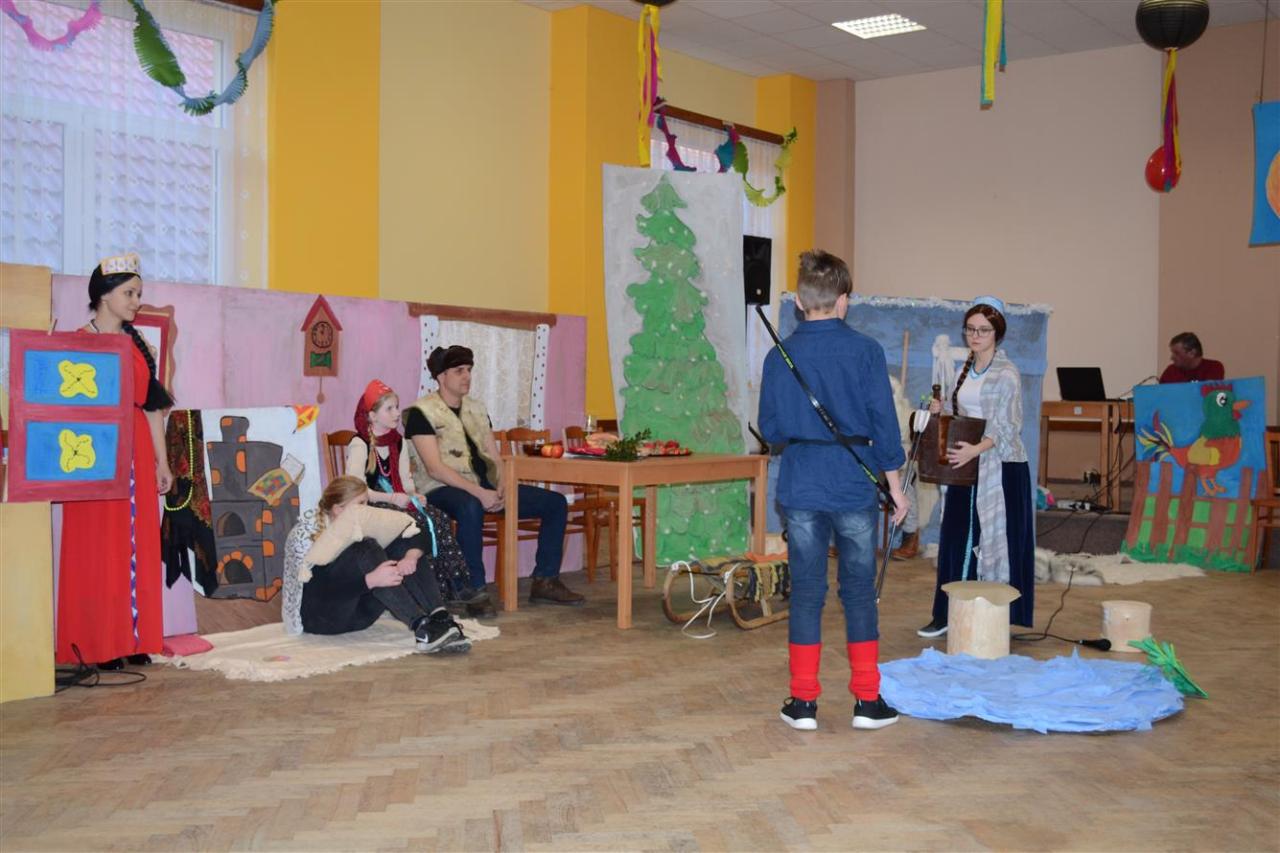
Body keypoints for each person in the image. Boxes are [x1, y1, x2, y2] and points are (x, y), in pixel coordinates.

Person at [758, 249, 909, 732]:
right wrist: (896, 488)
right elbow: (884, 425)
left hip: (802, 482)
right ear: (844, 300)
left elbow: (770, 429)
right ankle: (867, 700)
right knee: (859, 592)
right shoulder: (866, 351)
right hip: (852, 484)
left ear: (799, 302)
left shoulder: (778, 355)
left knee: (806, 592)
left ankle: (803, 703)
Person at [57, 253, 174, 670]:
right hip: (92, 455)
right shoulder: (75, 343)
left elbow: (151, 408)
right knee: (97, 549)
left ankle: (132, 638)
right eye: (129, 293)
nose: (136, 301)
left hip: (135, 454)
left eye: (138, 293)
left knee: (135, 546)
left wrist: (162, 463)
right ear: (104, 295)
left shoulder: (138, 347)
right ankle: (96, 643)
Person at [404, 345, 584, 607]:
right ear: (441, 376)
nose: (467, 376)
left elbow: (495, 457)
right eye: (459, 371)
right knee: (470, 505)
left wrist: (503, 487)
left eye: (469, 370)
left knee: (555, 503)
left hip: (485, 487)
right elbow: (435, 469)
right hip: (439, 489)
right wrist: (480, 493)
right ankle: (472, 588)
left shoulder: (477, 409)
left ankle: (546, 580)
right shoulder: (420, 413)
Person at [918, 296, 1035, 638]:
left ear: (997, 333)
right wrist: (941, 410)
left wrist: (977, 450)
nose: (975, 335)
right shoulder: (964, 369)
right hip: (967, 463)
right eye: (970, 329)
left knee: (994, 540)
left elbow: (1008, 424)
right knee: (956, 537)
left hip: (999, 468)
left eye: (983, 330)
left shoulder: (1007, 374)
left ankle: (993, 614)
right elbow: (965, 416)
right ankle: (949, 613)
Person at [280, 476, 471, 653]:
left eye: (367, 503)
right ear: (338, 509)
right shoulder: (305, 534)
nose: (367, 510)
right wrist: (370, 581)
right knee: (366, 546)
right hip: (322, 619)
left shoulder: (365, 522)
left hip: (360, 615)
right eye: (361, 505)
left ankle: (440, 619)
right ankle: (421, 626)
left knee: (404, 541)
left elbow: (417, 532)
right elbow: (318, 594)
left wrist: (411, 557)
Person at [346, 378, 489, 615]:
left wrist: (415, 495)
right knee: (419, 523)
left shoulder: (398, 443)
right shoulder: (360, 444)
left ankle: (454, 585)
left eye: (396, 407)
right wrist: (393, 499)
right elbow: (355, 490)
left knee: (439, 519)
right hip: (371, 505)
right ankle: (426, 590)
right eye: (389, 409)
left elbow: (406, 482)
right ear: (372, 416)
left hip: (397, 502)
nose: (396, 413)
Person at [1159, 332, 1225, 384]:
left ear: (1192, 353)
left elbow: (1209, 393)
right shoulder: (1170, 371)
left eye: (1176, 353)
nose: (1172, 357)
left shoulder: (1213, 367)